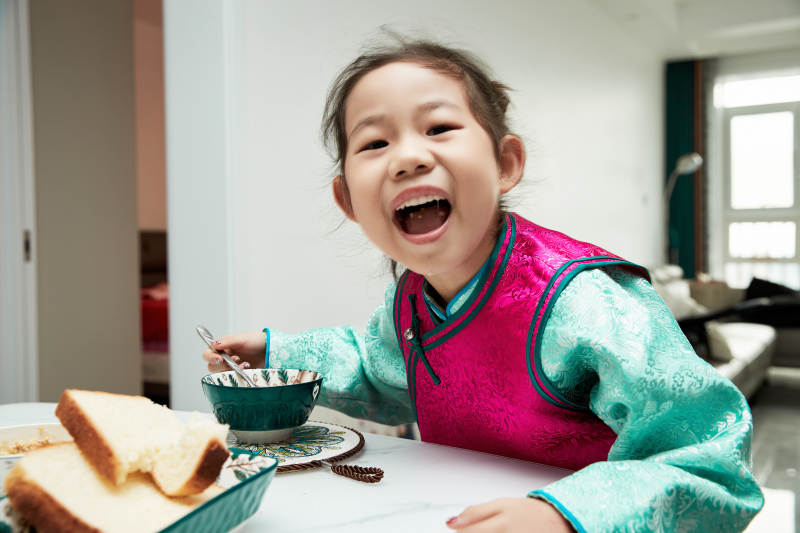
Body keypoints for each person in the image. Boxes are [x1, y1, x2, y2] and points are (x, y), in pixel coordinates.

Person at [202, 39, 763, 532]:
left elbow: (711, 462)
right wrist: (276, 353)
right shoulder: (411, 302)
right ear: (348, 201)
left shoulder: (585, 301)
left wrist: (569, 515)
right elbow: (376, 367)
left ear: (505, 164)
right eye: (374, 144)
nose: (408, 158)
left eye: (439, 128)